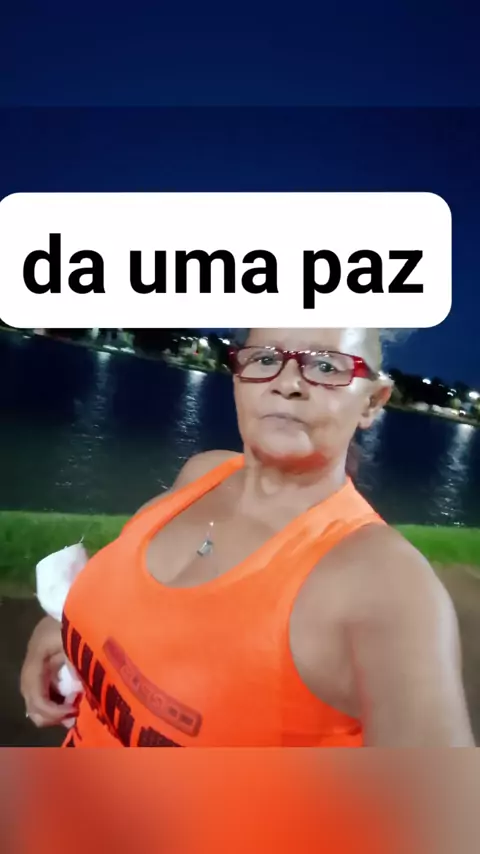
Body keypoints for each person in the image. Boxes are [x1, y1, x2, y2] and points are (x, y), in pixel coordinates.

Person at [20, 328, 474, 747]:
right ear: (238, 376)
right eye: (265, 359)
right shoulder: (202, 474)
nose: (288, 383)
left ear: (372, 401)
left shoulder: (383, 585)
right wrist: (66, 626)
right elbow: (130, 602)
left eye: (326, 366)